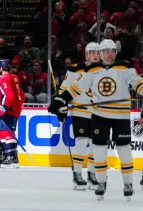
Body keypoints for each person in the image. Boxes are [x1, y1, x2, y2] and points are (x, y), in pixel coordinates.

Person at [48, 39, 141, 201]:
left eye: (111, 51)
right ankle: (89, 178)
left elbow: (137, 83)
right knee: (91, 146)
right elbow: (72, 89)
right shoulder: (85, 70)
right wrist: (60, 101)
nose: (107, 54)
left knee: (112, 148)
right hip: (90, 114)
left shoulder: (123, 68)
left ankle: (114, 180)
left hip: (110, 114)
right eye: (103, 51)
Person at [58, 42, 100, 190]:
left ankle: (92, 175)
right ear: (86, 54)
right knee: (81, 143)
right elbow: (64, 90)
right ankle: (77, 175)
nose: (95, 55)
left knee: (96, 145)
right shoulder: (75, 70)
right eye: (92, 52)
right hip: (80, 112)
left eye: (97, 52)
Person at [0, 59, 25, 168]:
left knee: (6, 133)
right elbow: (22, 94)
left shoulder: (3, 78)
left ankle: (11, 158)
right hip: (15, 109)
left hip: (9, 109)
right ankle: (10, 156)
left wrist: (3, 107)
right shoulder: (15, 77)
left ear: (1, 68)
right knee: (4, 132)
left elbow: (9, 95)